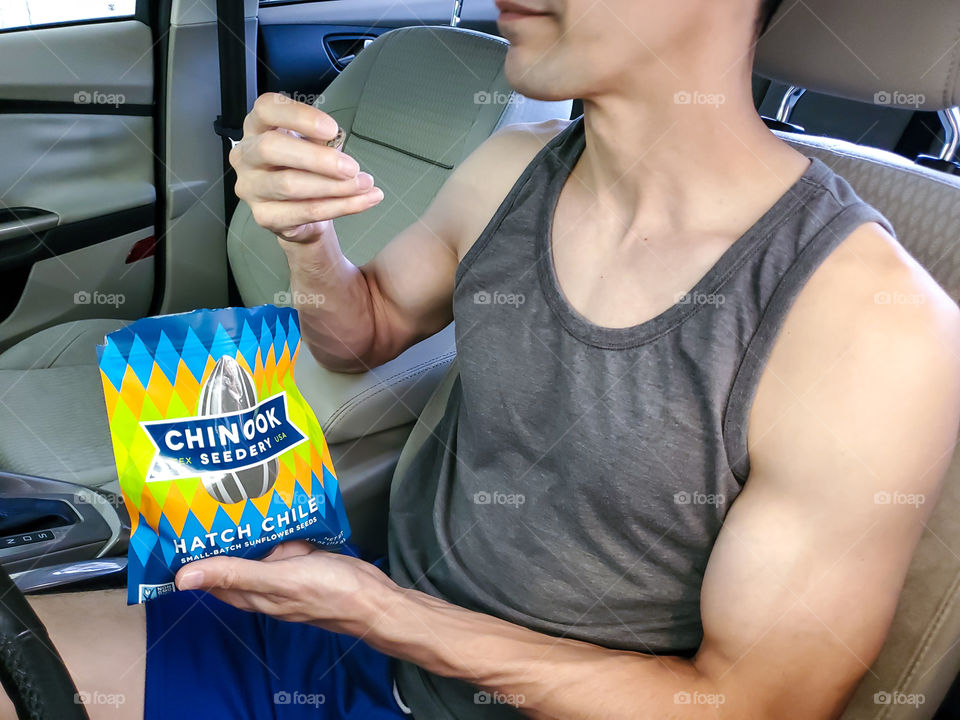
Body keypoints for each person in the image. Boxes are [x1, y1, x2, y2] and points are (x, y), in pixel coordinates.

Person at [3, 0, 960, 718]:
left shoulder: (872, 328)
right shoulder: (510, 170)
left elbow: (746, 708)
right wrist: (306, 239)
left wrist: (386, 616)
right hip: (352, 635)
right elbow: (361, 332)